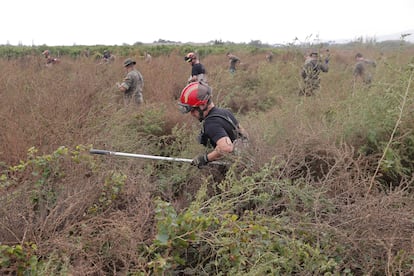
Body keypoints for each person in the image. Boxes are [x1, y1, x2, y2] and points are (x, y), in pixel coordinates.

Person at [178, 81, 249, 168]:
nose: (192, 114)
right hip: (244, 161)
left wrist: (205, 159)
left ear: (203, 105)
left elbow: (226, 148)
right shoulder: (225, 112)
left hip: (234, 168)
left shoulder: (211, 124)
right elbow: (244, 134)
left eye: (193, 110)